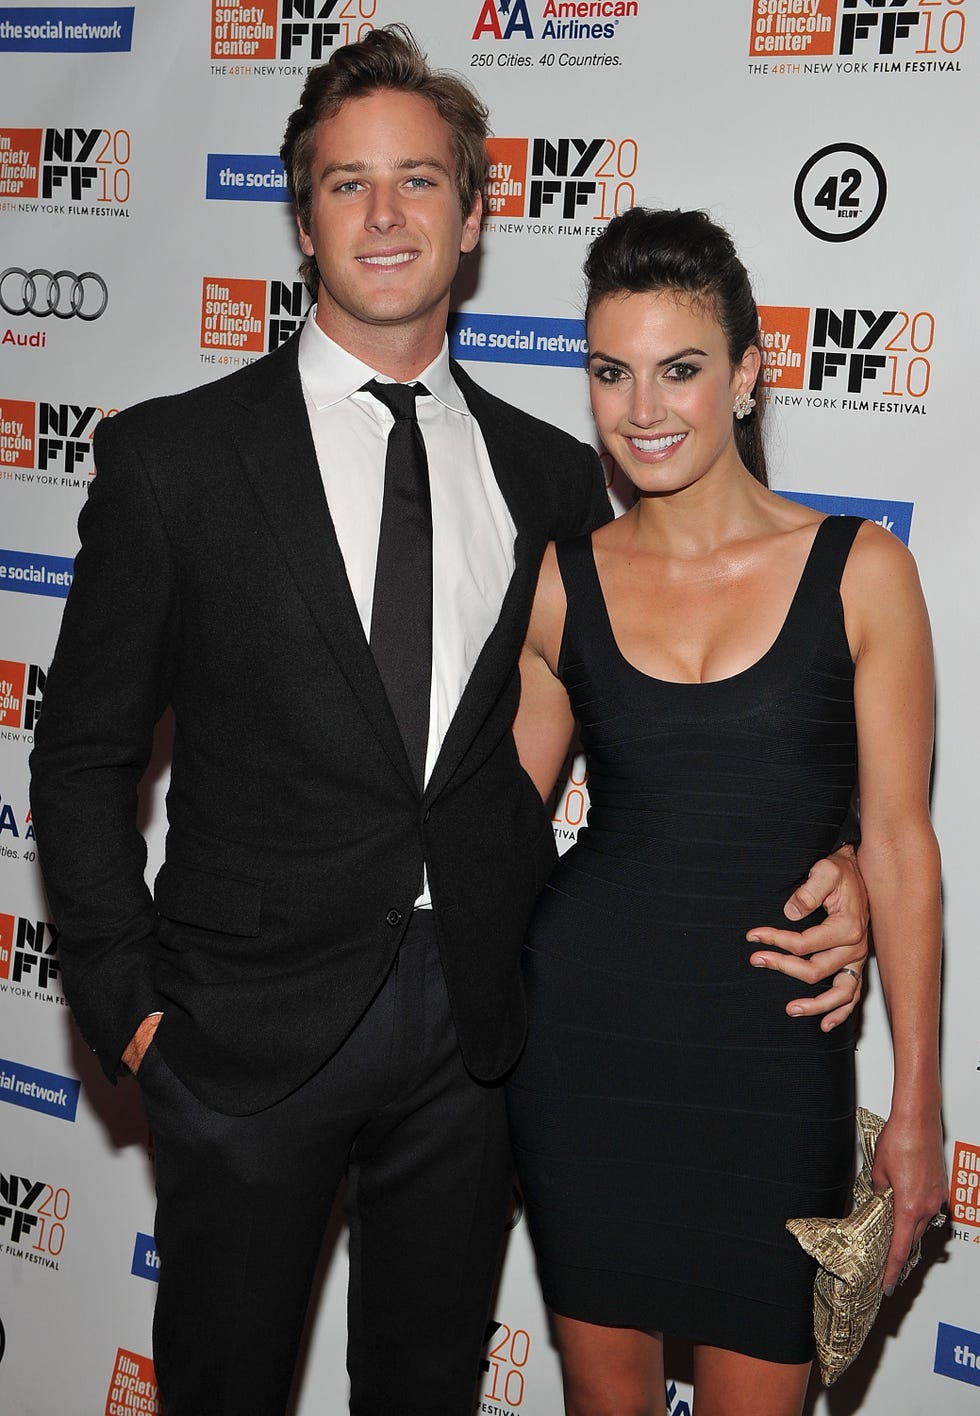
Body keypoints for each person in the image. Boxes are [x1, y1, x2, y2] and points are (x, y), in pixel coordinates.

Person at [29, 31, 867, 1416]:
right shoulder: (175, 459)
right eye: (346, 183)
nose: (384, 215)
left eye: (420, 180)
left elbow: (682, 711)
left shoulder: (558, 477)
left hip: (484, 1046)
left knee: (426, 1391)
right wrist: (129, 1013)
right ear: (301, 219)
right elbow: (83, 756)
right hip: (239, 1037)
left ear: (476, 216)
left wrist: (833, 852)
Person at [507, 206, 947, 1416]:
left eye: (681, 369)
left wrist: (916, 1105)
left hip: (771, 1046)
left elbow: (903, 841)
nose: (642, 409)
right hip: (586, 1041)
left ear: (749, 374)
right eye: (610, 372)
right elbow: (487, 821)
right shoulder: (561, 580)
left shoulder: (861, 570)